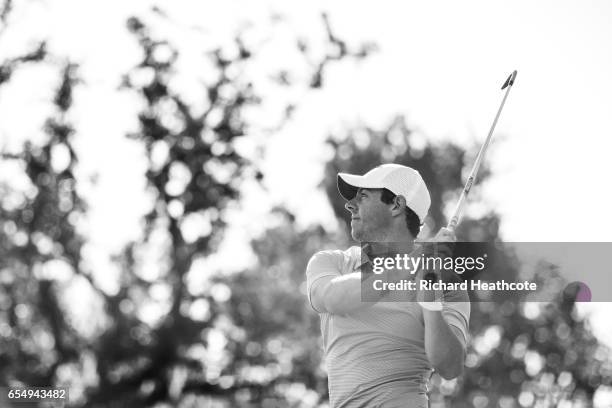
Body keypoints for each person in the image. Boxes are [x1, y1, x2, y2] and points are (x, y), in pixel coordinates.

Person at [306, 164, 470, 408]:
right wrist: (414, 262)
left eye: (362, 196)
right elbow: (333, 298)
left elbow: (449, 366)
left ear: (396, 205)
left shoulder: (446, 282)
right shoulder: (332, 263)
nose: (350, 205)